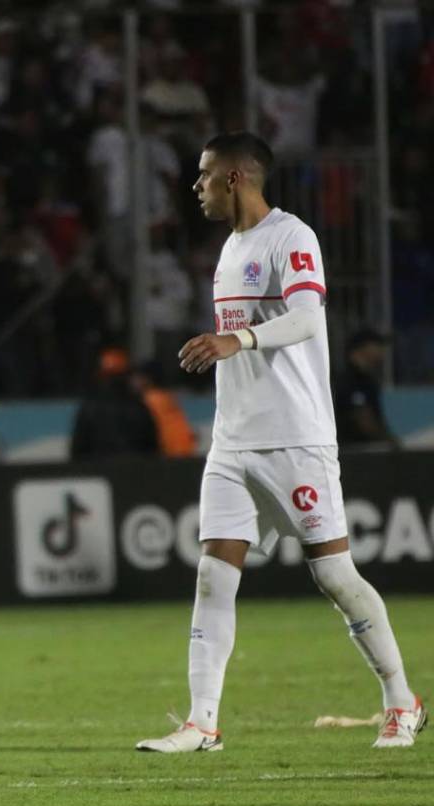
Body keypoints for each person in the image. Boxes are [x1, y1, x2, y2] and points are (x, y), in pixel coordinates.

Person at [138, 132, 425, 753]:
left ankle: (402, 700)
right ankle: (202, 722)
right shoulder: (230, 248)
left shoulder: (292, 237)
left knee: (334, 574)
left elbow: (306, 318)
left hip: (296, 436)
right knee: (214, 574)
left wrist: (232, 342)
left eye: (205, 174)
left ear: (236, 178)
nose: (197, 186)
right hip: (234, 440)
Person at [70, 348, 160, 462]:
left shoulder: (89, 408)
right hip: (135, 472)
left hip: (98, 472)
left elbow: (77, 451)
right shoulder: (138, 407)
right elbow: (153, 449)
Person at [333, 327, 401, 450]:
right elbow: (363, 420)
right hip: (353, 453)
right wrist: (389, 441)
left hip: (366, 451)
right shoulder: (349, 379)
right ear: (361, 348)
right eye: (377, 344)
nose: (382, 350)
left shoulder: (366, 380)